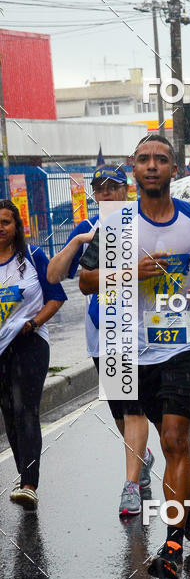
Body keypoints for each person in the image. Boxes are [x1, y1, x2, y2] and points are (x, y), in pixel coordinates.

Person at [79, 134, 190, 579]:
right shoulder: (115, 224)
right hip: (132, 345)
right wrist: (128, 272)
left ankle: (171, 546)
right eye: (143, 159)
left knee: (174, 441)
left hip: (184, 343)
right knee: (161, 436)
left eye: (161, 159)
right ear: (134, 169)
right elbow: (85, 282)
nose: (151, 166)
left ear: (173, 169)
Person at [47, 165, 153, 518]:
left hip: (140, 332)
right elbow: (53, 274)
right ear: (94, 194)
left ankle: (131, 486)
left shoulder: (144, 224)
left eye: (113, 187)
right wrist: (78, 242)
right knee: (121, 414)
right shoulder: (88, 229)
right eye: (100, 188)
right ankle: (143, 458)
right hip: (102, 334)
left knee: (135, 409)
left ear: (126, 190)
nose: (106, 193)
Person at [0, 200, 67, 510]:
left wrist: (34, 322)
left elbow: (56, 297)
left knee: (27, 409)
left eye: (6, 222)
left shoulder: (33, 258)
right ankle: (23, 473)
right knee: (10, 414)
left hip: (30, 341)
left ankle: (29, 484)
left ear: (17, 227)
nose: (0, 227)